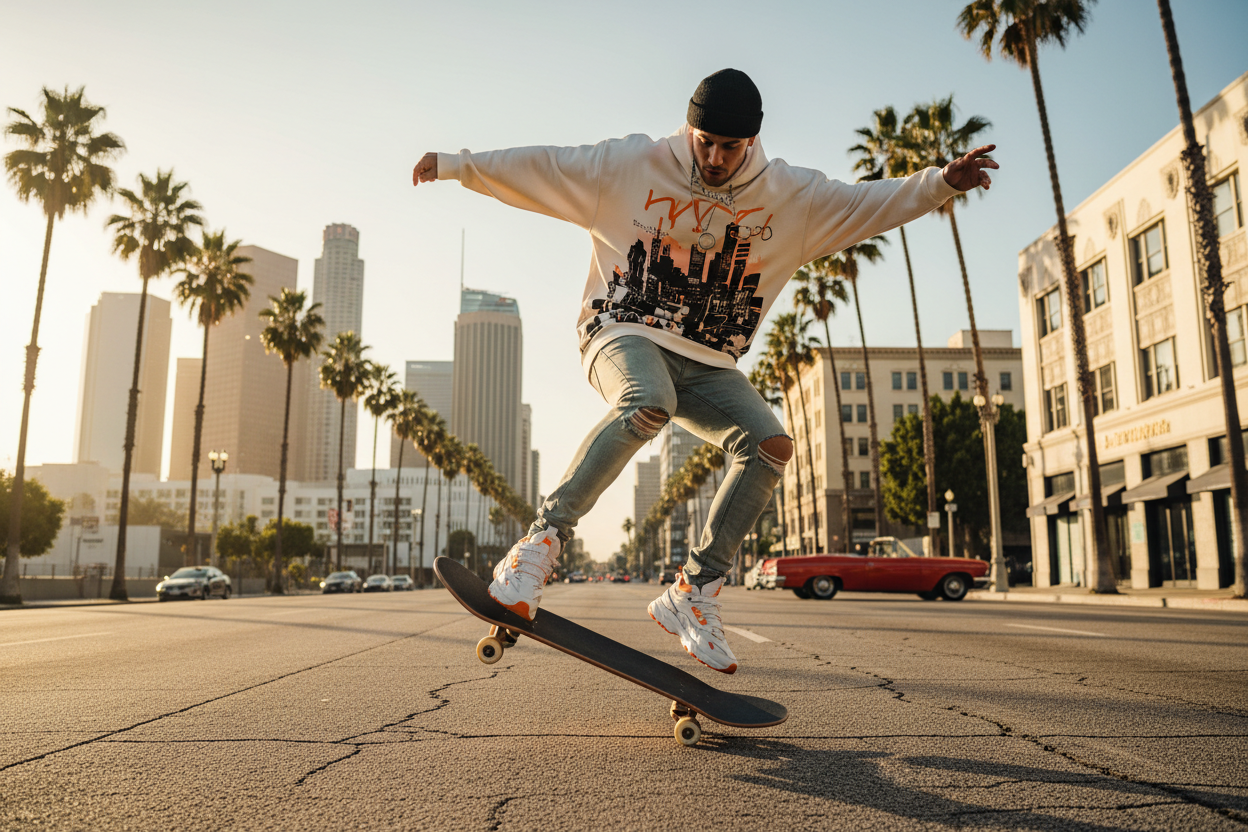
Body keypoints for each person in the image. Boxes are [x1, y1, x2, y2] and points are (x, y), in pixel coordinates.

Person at [412, 68, 996, 674]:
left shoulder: (791, 197)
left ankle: (694, 590)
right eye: (704, 142)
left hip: (711, 362)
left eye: (730, 148)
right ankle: (539, 544)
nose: (715, 159)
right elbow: (546, 166)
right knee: (647, 401)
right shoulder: (628, 164)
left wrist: (939, 184)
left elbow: (864, 201)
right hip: (623, 330)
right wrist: (457, 163)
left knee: (770, 444)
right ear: (688, 129)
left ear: (752, 143)